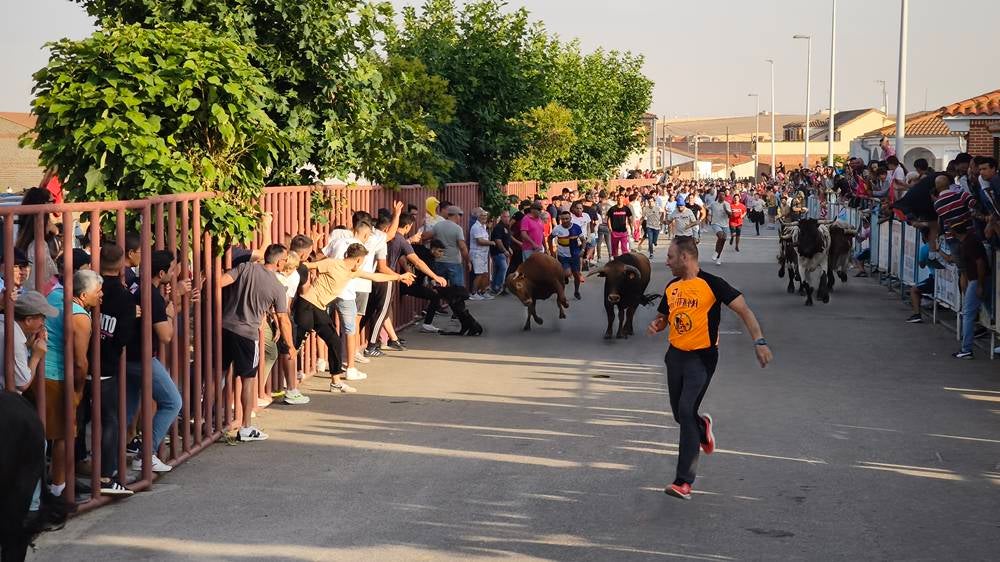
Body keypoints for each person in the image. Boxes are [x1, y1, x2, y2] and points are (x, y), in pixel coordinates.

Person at [647, 236, 772, 500]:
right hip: (675, 356)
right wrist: (658, 324)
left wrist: (759, 341)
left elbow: (744, 310)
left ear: (685, 257)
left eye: (670, 257)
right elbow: (664, 317)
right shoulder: (672, 287)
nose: (666, 262)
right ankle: (702, 426)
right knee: (681, 415)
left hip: (702, 358)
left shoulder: (712, 284)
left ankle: (683, 481)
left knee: (685, 410)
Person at [43, 270, 112, 496]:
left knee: (45, 432)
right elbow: (80, 362)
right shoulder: (81, 317)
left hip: (38, 371)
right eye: (98, 291)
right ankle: (59, 488)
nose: (101, 295)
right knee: (64, 434)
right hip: (56, 376)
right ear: (83, 295)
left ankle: (54, 481)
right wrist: (78, 391)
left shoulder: (55, 296)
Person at [219, 244, 296, 441]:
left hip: (225, 327)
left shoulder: (245, 267)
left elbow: (220, 282)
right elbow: (284, 319)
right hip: (247, 334)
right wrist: (290, 346)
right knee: (248, 379)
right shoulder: (278, 287)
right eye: (285, 259)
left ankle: (207, 419)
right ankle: (246, 427)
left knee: (217, 374)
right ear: (279, 262)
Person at [0, 290, 54, 393]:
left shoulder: (4, 321)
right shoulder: (14, 337)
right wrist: (36, 356)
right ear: (28, 320)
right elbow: (23, 384)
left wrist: (28, 345)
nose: (43, 323)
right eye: (42, 318)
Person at [951, 223, 988, 360]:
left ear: (954, 233)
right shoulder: (969, 241)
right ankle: (966, 348)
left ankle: (966, 349)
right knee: (989, 311)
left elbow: (980, 263)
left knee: (968, 314)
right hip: (976, 280)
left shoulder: (969, 243)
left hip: (977, 280)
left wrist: (980, 285)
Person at [428, 206, 470, 288]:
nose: (460, 217)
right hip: (454, 262)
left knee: (439, 286)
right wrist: (468, 261)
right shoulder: (458, 229)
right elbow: (462, 247)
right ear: (456, 215)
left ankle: (439, 296)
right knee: (457, 289)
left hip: (439, 261)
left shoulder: (438, 226)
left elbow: (426, 236)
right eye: (460, 215)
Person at [549, 211, 586, 300]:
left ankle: (576, 291)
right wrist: (552, 252)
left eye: (567, 219)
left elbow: (583, 240)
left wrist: (582, 250)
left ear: (570, 218)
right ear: (560, 219)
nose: (565, 221)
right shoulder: (557, 229)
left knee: (576, 275)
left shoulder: (576, 227)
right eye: (563, 219)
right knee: (568, 273)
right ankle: (561, 292)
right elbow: (550, 239)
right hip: (563, 256)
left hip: (575, 255)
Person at [469, 208, 493, 300]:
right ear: (478, 217)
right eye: (482, 215)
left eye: (485, 216)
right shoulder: (476, 227)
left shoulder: (483, 226)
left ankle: (482, 291)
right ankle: (474, 293)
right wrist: (491, 243)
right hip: (477, 253)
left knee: (484, 273)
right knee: (479, 274)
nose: (484, 217)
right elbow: (480, 241)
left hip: (483, 253)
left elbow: (486, 238)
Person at [705, 187, 732, 265]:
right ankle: (716, 252)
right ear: (718, 196)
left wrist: (726, 210)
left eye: (723, 195)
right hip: (715, 223)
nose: (722, 196)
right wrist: (707, 216)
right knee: (720, 236)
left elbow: (730, 215)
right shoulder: (713, 204)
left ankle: (719, 257)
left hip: (725, 225)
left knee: (723, 240)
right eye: (720, 195)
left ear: (724, 196)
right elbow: (706, 208)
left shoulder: (727, 204)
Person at [489, 211, 513, 295]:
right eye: (505, 217)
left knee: (497, 269)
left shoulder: (506, 227)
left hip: (503, 251)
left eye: (508, 217)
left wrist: (509, 248)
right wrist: (504, 250)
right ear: (501, 217)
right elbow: (498, 240)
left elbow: (505, 239)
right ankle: (498, 286)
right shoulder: (499, 227)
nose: (507, 218)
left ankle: (494, 287)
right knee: (503, 268)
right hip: (498, 252)